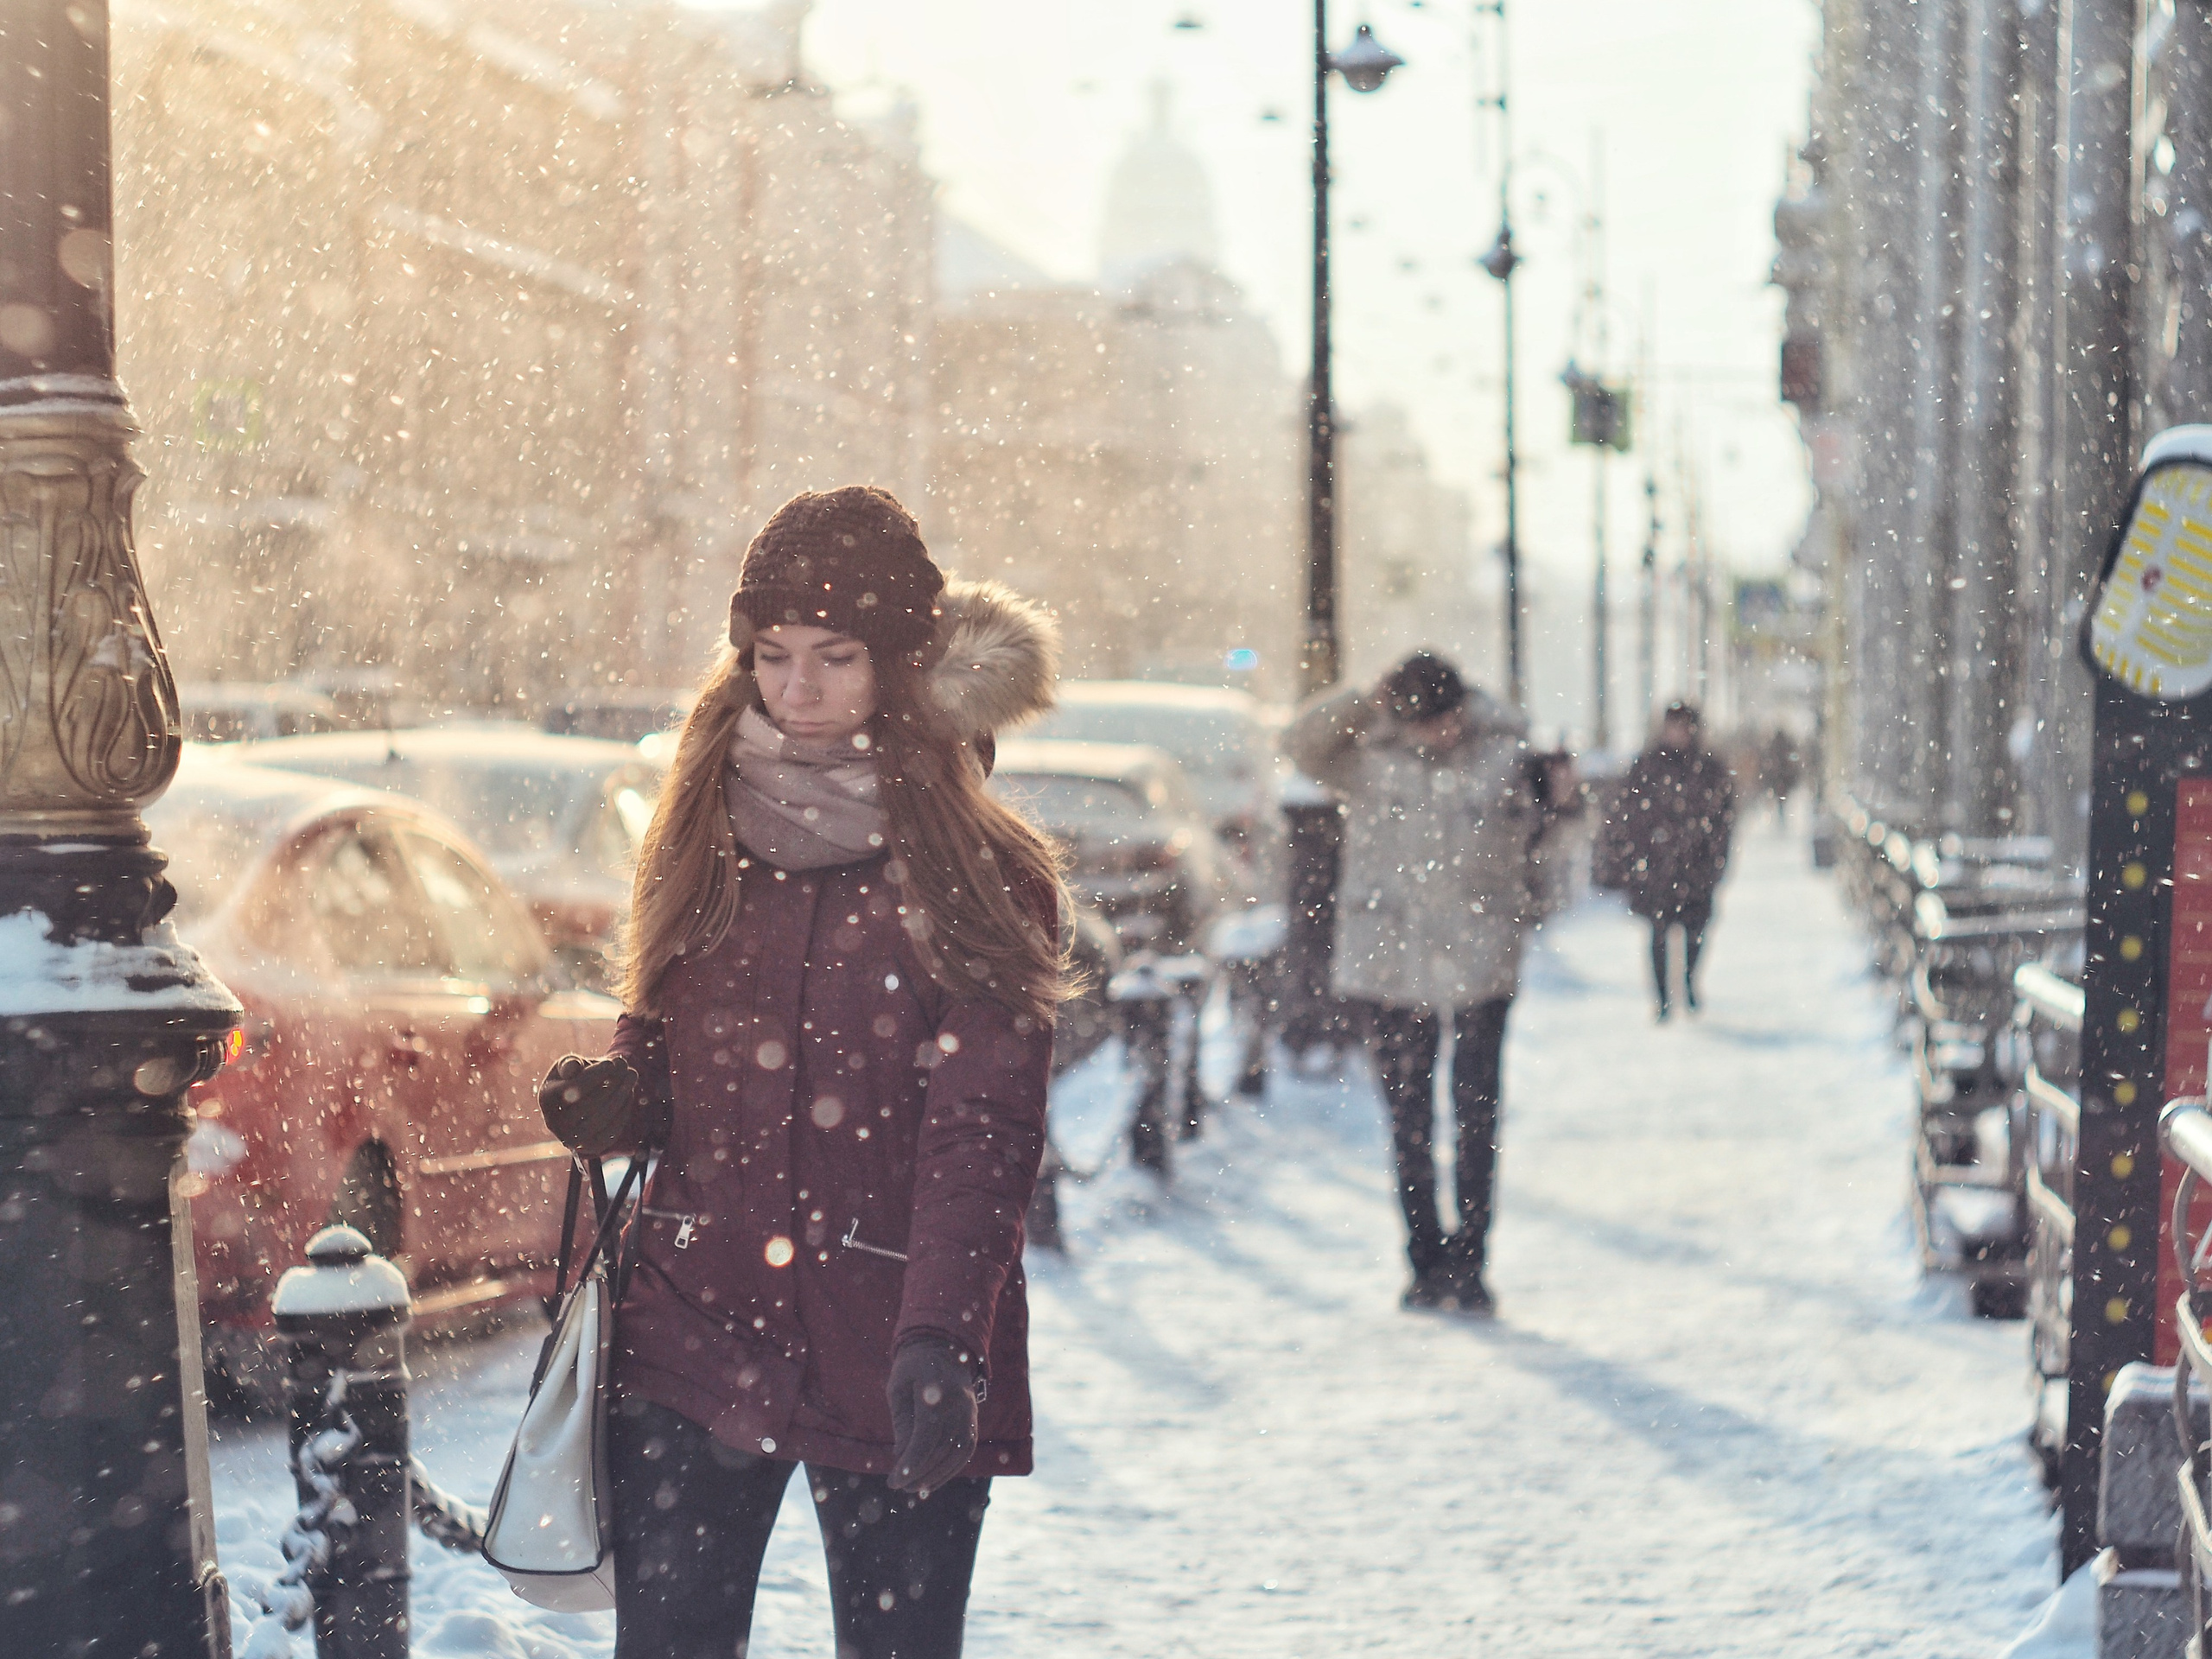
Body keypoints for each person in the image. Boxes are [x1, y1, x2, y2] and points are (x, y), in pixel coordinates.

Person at [535, 486, 1069, 1659]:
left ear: (900, 662)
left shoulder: (978, 869)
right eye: (772, 655)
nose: (800, 688)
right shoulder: (699, 819)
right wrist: (626, 1095)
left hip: (893, 1330)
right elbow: (666, 1033)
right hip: (695, 1322)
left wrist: (940, 1340)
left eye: (836, 656)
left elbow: (982, 1131)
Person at [1285, 651, 1557, 1316]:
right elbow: (1297, 746)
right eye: (1424, 725)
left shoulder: (1504, 750)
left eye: (1448, 721)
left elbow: (1550, 826)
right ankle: (1424, 1260)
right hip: (1391, 963)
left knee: (1476, 1117)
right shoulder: (1367, 756)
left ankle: (1471, 1263)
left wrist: (1557, 800)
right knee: (1407, 1122)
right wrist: (1360, 701)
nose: (1439, 736)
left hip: (1480, 959)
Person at [1613, 701, 1736, 1020]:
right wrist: (1634, 858)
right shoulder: (1647, 766)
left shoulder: (1709, 768)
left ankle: (1689, 982)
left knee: (1695, 932)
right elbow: (1627, 816)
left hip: (1696, 867)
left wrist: (1716, 858)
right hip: (1656, 868)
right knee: (1658, 933)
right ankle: (1663, 998)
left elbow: (1724, 817)